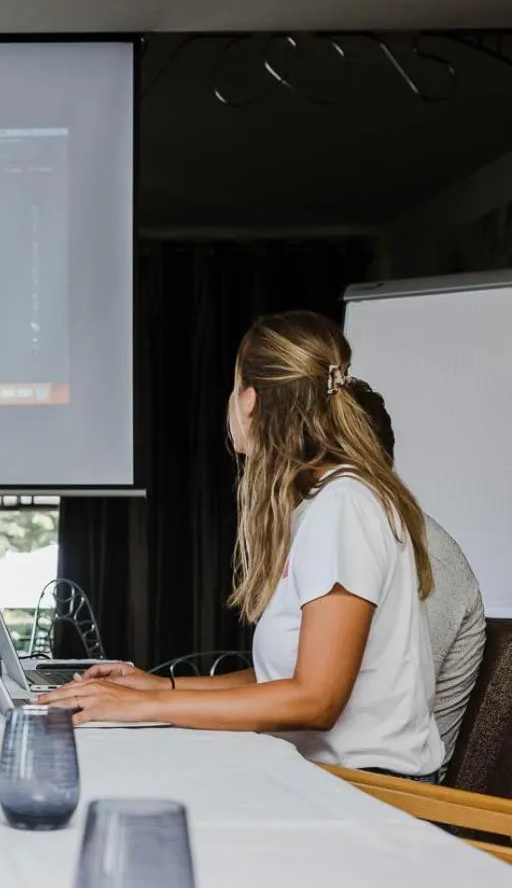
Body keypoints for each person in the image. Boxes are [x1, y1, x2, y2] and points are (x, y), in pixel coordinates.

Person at [43, 311, 444, 780]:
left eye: (233, 388)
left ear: (250, 401)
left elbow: (316, 700)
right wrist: (159, 686)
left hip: (372, 792)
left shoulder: (344, 506)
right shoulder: (322, 504)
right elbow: (283, 678)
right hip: (326, 779)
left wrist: (142, 704)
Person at [348, 379, 486, 770]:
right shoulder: (350, 538)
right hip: (335, 775)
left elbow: (367, 720)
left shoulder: (426, 557)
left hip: (392, 794)